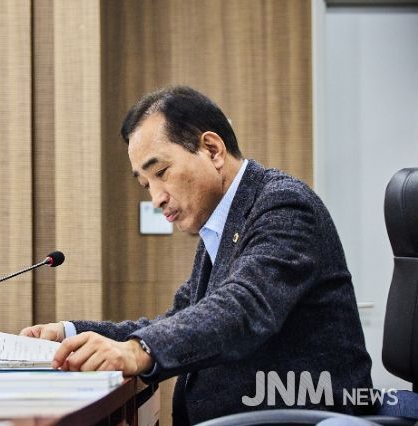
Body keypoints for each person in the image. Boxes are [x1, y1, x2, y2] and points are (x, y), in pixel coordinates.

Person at [21, 86, 373, 424]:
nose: (156, 198)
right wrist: (70, 334)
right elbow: (179, 320)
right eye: (146, 184)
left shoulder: (284, 205)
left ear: (212, 150)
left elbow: (244, 308)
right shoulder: (221, 224)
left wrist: (139, 350)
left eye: (161, 173)